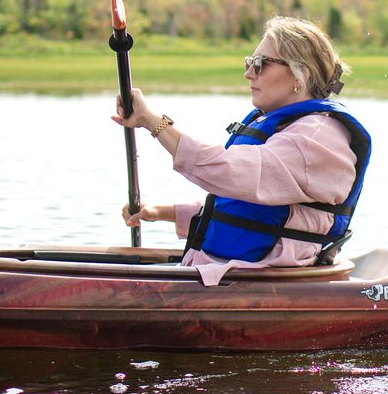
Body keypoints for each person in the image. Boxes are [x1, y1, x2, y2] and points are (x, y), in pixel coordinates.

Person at [111, 16, 371, 286]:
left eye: (260, 64)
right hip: (229, 272)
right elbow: (244, 207)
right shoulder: (288, 126)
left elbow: (228, 173)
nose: (249, 73)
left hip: (261, 281)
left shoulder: (315, 139)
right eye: (249, 62)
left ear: (300, 74)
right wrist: (161, 212)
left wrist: (152, 121)